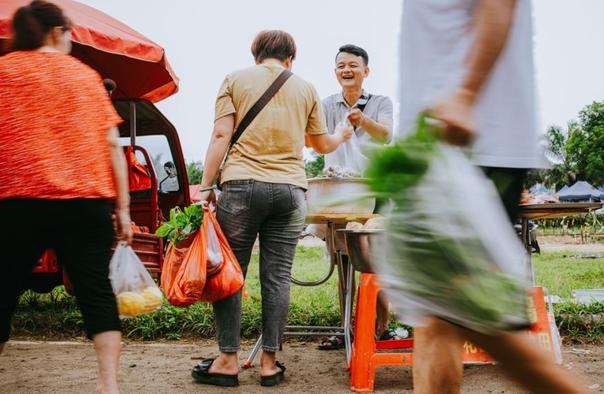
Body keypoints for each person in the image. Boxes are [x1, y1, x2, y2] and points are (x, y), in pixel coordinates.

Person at [398, 0, 584, 393]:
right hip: (440, 149)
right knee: (439, 316)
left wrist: (465, 94)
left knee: (488, 325)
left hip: (470, 149)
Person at [194, 30, 352, 388]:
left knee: (230, 274)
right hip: (291, 191)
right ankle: (269, 364)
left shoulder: (235, 79)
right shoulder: (306, 88)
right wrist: (341, 136)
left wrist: (205, 186)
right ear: (290, 59)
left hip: (241, 188)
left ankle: (228, 360)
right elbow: (320, 144)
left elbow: (221, 135)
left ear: (256, 55)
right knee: (277, 277)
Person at [0, 2, 132, 394]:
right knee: (96, 294)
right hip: (84, 204)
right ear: (56, 32)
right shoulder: (85, 76)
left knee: (3, 291)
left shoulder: (3, 73)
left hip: (17, 202)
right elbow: (112, 145)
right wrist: (123, 209)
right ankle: (108, 386)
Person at [315, 44, 397, 351]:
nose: (346, 70)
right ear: (335, 72)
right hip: (340, 192)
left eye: (352, 65)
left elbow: (385, 135)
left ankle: (382, 327)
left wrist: (361, 121)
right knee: (344, 261)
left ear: (366, 71)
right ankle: (345, 329)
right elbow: (318, 141)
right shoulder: (325, 104)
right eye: (340, 66)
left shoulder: (381, 102)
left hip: (377, 190)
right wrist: (337, 134)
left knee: (378, 261)